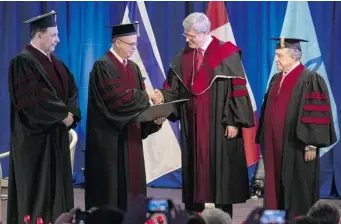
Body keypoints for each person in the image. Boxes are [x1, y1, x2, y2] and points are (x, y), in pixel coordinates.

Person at [152, 12, 255, 217]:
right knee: (194, 171)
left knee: (221, 172)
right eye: (185, 34)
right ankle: (194, 215)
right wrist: (162, 96)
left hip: (220, 124)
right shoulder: (185, 56)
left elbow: (237, 88)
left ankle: (223, 216)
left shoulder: (226, 54)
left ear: (205, 32)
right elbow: (175, 88)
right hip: (193, 125)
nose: (186, 38)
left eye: (190, 35)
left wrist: (234, 121)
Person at [7, 10, 81, 224]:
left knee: (57, 187)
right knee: (38, 188)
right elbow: (34, 99)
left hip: (55, 135)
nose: (58, 39)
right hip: (34, 140)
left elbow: (72, 90)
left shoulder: (56, 63)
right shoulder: (22, 62)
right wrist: (61, 114)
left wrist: (70, 114)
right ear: (39, 34)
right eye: (54, 34)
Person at [84, 22, 164, 212]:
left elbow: (139, 106)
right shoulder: (103, 66)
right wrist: (147, 96)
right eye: (131, 44)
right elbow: (118, 101)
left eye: (135, 43)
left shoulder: (134, 67)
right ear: (117, 42)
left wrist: (154, 119)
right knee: (111, 194)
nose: (134, 48)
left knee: (133, 193)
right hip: (110, 141)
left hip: (131, 140)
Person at [256, 37, 337, 217]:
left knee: (298, 187)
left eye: (280, 56)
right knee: (274, 185)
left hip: (298, 147)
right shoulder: (276, 79)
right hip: (274, 145)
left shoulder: (310, 79)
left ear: (294, 57)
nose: (276, 59)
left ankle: (298, 220)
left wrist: (312, 143)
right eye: (276, 55)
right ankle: (274, 218)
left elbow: (316, 113)